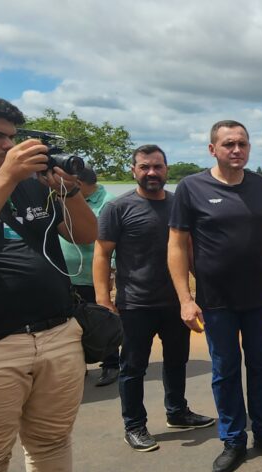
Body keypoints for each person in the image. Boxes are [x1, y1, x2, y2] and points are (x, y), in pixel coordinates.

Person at [0, 91, 98, 472]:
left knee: (52, 443)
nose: (9, 145)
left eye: (12, 136)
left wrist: (70, 191)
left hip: (57, 332)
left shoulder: (30, 184)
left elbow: (85, 234)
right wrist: (8, 175)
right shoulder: (12, 178)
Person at [168, 120, 262, 472]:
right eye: (228, 144)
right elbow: (177, 245)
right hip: (216, 299)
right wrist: (185, 298)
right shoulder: (191, 187)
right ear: (213, 149)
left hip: (258, 298)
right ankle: (234, 440)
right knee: (224, 371)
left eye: (242, 143)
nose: (236, 149)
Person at [94, 144, 215, 452]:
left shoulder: (178, 205)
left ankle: (177, 412)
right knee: (133, 367)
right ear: (133, 170)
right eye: (145, 167)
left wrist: (203, 291)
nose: (151, 172)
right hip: (135, 304)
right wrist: (103, 299)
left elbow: (190, 252)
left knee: (177, 361)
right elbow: (102, 253)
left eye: (157, 167)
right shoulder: (118, 208)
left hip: (176, 301)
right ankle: (134, 425)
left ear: (166, 169)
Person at [58, 166, 119, 386]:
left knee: (102, 321)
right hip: (65, 274)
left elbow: (113, 243)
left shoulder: (109, 203)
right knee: (70, 324)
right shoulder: (60, 199)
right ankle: (79, 365)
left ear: (79, 183)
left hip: (91, 276)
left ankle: (111, 364)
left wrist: (111, 271)